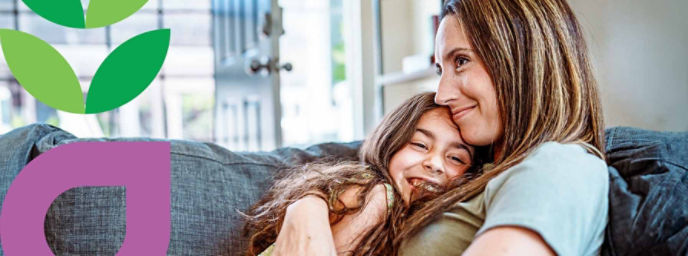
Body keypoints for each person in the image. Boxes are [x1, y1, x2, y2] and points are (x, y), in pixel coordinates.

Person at [275, 0, 609, 255]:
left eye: (461, 61)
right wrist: (308, 205)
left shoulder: (556, 167)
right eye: (440, 70)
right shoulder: (486, 168)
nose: (442, 94)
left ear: (521, 59)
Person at [243, 92, 487, 256]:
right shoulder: (376, 195)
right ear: (390, 144)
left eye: (456, 158)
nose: (435, 164)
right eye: (420, 145)